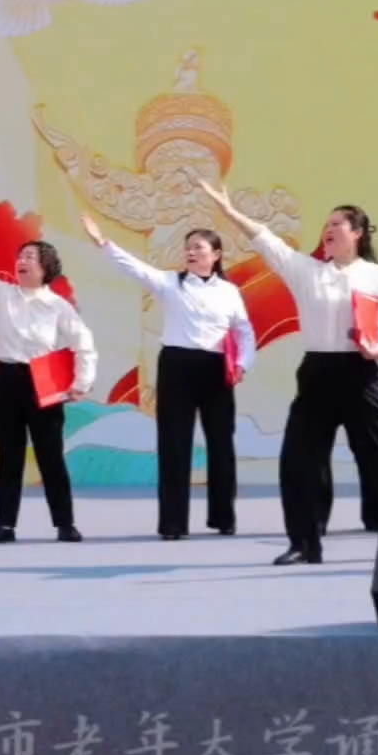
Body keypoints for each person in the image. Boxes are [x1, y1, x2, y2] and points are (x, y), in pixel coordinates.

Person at [198, 178, 378, 564]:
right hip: (317, 372)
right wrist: (230, 211)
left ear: (358, 233)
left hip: (362, 372)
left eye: (337, 224)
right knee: (299, 460)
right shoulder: (307, 271)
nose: (328, 230)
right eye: (326, 224)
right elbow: (267, 241)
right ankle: (304, 543)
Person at [82, 215, 255, 539]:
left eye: (199, 248)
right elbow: (134, 267)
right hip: (177, 366)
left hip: (216, 369)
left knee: (221, 443)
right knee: (174, 444)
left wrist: (243, 363)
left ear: (216, 254)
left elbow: (244, 331)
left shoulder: (230, 291)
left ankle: (223, 517)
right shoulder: (170, 283)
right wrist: (103, 243)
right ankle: (173, 523)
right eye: (188, 248)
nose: (191, 252)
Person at [0, 207, 96, 544]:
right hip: (6, 379)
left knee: (50, 456)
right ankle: (4, 526)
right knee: (9, 456)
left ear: (46, 267)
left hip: (43, 382)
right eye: (20, 256)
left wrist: (81, 382)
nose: (22, 262)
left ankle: (65, 523)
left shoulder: (58, 307)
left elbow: (84, 344)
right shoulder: (3, 294)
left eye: (30, 257)